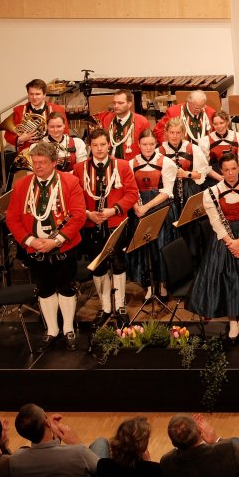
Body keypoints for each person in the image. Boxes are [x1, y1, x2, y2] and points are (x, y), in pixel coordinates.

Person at [6, 141, 88, 346]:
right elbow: (12, 218)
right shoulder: (22, 185)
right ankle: (52, 329)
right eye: (35, 162)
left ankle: (68, 329)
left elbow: (78, 216)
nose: (37, 166)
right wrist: (31, 241)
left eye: (42, 162)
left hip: (64, 246)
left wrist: (56, 241)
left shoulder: (70, 182)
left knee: (66, 287)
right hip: (35, 247)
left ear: (54, 163)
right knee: (44, 288)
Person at [198, 153, 239, 340]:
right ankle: (232, 319)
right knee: (229, 279)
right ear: (221, 171)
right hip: (224, 239)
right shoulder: (210, 192)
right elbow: (216, 223)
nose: (231, 173)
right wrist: (231, 243)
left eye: (234, 169)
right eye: (226, 170)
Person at [77, 127, 137, 329]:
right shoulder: (79, 168)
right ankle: (105, 307)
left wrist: (114, 210)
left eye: (103, 144)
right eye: (95, 145)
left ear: (109, 145)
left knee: (118, 264)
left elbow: (132, 194)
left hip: (115, 223)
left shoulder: (122, 165)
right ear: (90, 146)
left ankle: (120, 306)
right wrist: (88, 214)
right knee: (98, 267)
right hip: (91, 224)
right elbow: (75, 198)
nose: (99, 149)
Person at [9, 404, 106, 477]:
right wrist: (76, 442)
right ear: (46, 422)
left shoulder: (15, 460)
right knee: (100, 442)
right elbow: (104, 476)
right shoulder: (80, 453)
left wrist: (53, 436)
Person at [127, 128, 177, 300]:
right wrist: (137, 207)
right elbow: (130, 189)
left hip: (160, 209)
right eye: (144, 144)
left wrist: (146, 207)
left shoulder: (167, 163)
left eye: (151, 144)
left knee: (161, 247)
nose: (148, 148)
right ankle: (148, 285)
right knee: (144, 248)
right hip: (139, 209)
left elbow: (167, 191)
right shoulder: (131, 163)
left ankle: (162, 284)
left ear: (156, 144)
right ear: (138, 144)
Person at [95, 416, 166, 477]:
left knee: (101, 442)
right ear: (142, 445)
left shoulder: (104, 466)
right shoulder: (155, 470)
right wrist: (148, 463)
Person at [3, 78, 65, 156]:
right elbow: (8, 136)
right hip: (27, 154)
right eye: (31, 94)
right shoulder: (19, 110)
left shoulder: (57, 109)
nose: (34, 97)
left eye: (37, 94)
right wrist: (20, 139)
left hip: (51, 154)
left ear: (44, 94)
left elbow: (65, 133)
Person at [94, 89, 149, 162]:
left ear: (129, 104)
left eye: (120, 103)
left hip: (132, 163)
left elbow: (147, 147)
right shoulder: (107, 119)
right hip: (109, 163)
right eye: (114, 103)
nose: (116, 106)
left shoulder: (142, 121)